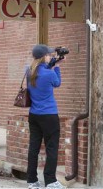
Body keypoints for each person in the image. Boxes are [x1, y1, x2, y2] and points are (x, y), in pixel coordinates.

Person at [27, 44, 66, 189]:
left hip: (34, 115)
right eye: (49, 55)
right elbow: (57, 83)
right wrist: (57, 66)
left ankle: (32, 181)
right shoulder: (50, 73)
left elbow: (40, 72)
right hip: (49, 115)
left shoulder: (29, 71)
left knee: (34, 147)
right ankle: (50, 181)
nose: (51, 56)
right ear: (44, 57)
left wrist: (51, 65)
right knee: (51, 148)